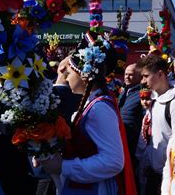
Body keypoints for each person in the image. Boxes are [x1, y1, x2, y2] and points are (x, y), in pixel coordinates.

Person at [38, 31, 136, 195]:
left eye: (69, 72)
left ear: (84, 75)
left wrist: (64, 166)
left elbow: (113, 161)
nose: (66, 77)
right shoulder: (92, 105)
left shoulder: (99, 109)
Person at [137, 54, 175, 194]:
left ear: (160, 74)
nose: (142, 81)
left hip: (170, 175)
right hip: (153, 173)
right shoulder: (154, 101)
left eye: (146, 76)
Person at [119, 64, 145, 170]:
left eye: (131, 75)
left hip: (133, 141)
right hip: (121, 138)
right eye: (126, 74)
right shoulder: (124, 91)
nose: (127, 77)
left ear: (139, 77)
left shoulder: (143, 93)